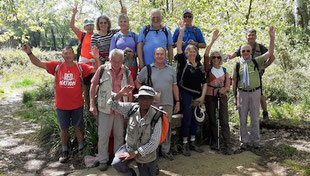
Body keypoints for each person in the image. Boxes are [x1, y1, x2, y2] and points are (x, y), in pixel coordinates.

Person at [22, 44, 100, 163]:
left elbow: (97, 70)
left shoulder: (80, 67)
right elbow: (38, 63)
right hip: (61, 106)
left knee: (78, 127)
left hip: (77, 104)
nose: (68, 55)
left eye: (69, 53)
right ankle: (64, 150)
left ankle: (81, 148)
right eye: (65, 53)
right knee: (63, 129)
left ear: (73, 54)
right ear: (62, 55)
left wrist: (96, 58)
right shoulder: (56, 66)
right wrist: (29, 53)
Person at [89, 48, 134, 171]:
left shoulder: (126, 71)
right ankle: (103, 160)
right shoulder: (102, 69)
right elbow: (93, 86)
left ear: (123, 60)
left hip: (120, 108)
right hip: (105, 107)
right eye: (114, 61)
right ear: (109, 59)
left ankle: (117, 160)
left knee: (119, 136)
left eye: (120, 61)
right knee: (103, 136)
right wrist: (92, 104)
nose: (117, 64)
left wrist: (129, 106)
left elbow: (130, 89)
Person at [232, 27, 275, 150]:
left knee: (255, 118)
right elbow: (234, 81)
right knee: (242, 119)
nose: (245, 53)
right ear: (240, 53)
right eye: (243, 51)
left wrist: (272, 37)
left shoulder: (257, 61)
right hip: (242, 94)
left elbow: (270, 53)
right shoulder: (237, 65)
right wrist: (235, 97)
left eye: (247, 51)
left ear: (250, 52)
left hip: (255, 93)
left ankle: (256, 142)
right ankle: (244, 141)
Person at [135, 47, 180, 160]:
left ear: (165, 56)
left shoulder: (171, 70)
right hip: (152, 105)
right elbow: (137, 82)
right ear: (154, 56)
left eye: (162, 54)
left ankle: (165, 150)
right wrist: (145, 95)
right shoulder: (148, 69)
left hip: (167, 103)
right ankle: (152, 151)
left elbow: (175, 86)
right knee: (151, 127)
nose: (160, 56)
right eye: (157, 54)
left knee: (166, 127)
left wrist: (177, 101)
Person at [109, 85, 162, 176]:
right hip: (129, 148)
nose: (145, 101)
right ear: (138, 99)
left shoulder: (156, 117)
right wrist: (120, 94)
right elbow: (111, 104)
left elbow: (153, 143)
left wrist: (136, 153)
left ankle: (153, 168)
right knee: (116, 163)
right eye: (142, 98)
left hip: (146, 155)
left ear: (152, 100)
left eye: (148, 98)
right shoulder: (132, 108)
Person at [175, 20, 207, 156]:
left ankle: (193, 142)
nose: (191, 53)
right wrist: (181, 31)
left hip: (197, 96)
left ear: (196, 53)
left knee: (195, 120)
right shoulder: (183, 62)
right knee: (187, 119)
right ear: (186, 53)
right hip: (185, 94)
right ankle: (184, 144)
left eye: (193, 51)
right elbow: (178, 47)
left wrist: (202, 97)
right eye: (189, 51)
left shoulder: (199, 66)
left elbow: (204, 83)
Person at [229, 29, 275, 119]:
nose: (251, 37)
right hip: (244, 74)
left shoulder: (260, 47)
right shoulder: (243, 48)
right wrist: (223, 57)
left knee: (260, 94)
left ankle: (265, 113)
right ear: (246, 37)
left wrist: (264, 66)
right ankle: (242, 110)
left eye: (252, 35)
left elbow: (272, 56)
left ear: (256, 36)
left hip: (256, 75)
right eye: (249, 35)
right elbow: (232, 55)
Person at [203, 29, 233, 155]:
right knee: (213, 120)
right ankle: (215, 141)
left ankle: (227, 143)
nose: (215, 59)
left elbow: (228, 86)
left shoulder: (224, 70)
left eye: (218, 57)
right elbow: (205, 55)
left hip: (222, 97)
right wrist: (212, 41)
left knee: (224, 120)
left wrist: (223, 90)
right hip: (210, 96)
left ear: (220, 59)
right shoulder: (208, 69)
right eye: (213, 57)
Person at [70, 3, 95, 108]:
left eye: (91, 25)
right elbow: (72, 26)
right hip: (84, 65)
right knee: (85, 87)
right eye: (87, 25)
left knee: (95, 86)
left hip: (94, 65)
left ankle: (94, 106)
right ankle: (86, 107)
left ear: (94, 26)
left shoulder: (97, 36)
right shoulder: (82, 35)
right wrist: (74, 14)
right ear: (85, 27)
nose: (89, 27)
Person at [110, 13, 138, 81]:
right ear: (118, 23)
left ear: (128, 23)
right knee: (121, 84)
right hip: (119, 65)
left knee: (132, 84)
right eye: (121, 21)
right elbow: (111, 53)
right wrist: (122, 53)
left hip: (132, 64)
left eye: (125, 21)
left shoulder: (134, 35)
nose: (123, 23)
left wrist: (133, 54)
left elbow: (140, 51)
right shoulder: (115, 36)